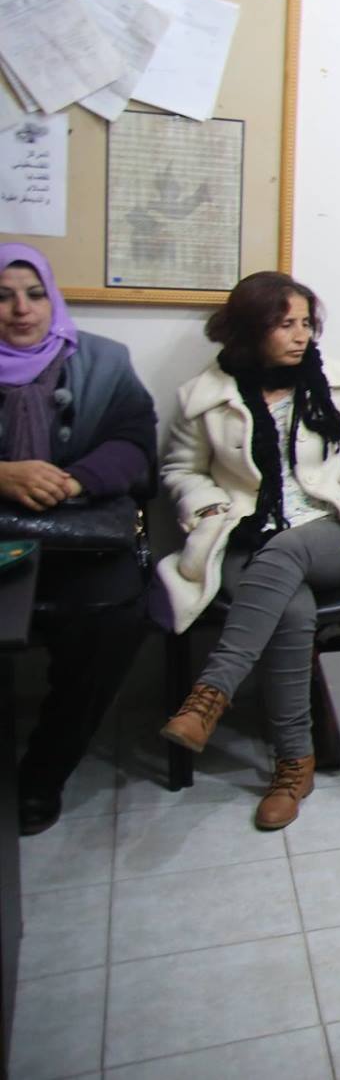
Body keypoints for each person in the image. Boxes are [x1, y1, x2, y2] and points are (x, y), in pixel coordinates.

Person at [157, 273, 340, 831]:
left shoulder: (332, 382)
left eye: (306, 323)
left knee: (287, 550)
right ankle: (295, 765)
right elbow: (181, 470)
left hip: (329, 529)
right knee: (291, 607)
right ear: (250, 330)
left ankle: (211, 692)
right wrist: (210, 508)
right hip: (246, 534)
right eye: (285, 324)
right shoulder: (206, 397)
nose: (301, 336)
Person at [0, 245, 156, 835]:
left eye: (35, 295)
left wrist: (74, 480)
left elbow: (136, 443)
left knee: (115, 616)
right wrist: (4, 475)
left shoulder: (104, 360)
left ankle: (44, 770)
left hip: (77, 531)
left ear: (53, 300)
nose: (22, 310)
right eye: (3, 297)